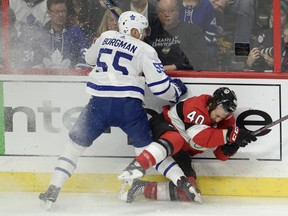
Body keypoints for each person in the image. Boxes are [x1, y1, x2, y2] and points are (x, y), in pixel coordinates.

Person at [39, 11, 187, 210]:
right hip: (128, 106)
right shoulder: (146, 50)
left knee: (74, 146)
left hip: (99, 104)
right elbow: (161, 89)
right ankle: (181, 182)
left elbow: (90, 58)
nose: (144, 35)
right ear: (133, 30)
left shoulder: (106, 36)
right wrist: (177, 90)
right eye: (142, 31)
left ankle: (53, 189)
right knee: (147, 150)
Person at [118, 87, 257, 203]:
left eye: (222, 117)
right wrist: (230, 136)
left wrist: (234, 145)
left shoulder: (226, 120)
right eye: (217, 115)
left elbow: (220, 155)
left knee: (187, 193)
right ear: (212, 104)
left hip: (181, 151)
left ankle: (139, 187)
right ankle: (138, 165)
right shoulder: (196, 105)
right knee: (176, 138)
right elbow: (200, 138)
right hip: (162, 128)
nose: (218, 119)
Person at [16, 0, 89, 68]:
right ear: (49, 13)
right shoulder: (41, 34)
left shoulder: (75, 33)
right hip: (46, 79)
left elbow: (85, 52)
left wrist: (78, 69)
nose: (61, 15)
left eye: (63, 11)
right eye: (57, 11)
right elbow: (33, 58)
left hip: (71, 79)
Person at [146, 0, 208, 71]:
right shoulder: (151, 32)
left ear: (178, 12)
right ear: (158, 14)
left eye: (171, 11)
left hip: (185, 75)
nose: (167, 15)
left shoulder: (192, 31)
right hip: (155, 74)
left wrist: (174, 66)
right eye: (163, 11)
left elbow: (199, 56)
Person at [245, 0, 288, 72]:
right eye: (272, 14)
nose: (276, 18)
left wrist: (276, 66)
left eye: (281, 15)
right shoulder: (263, 36)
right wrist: (248, 64)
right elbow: (253, 68)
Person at [178, 0, 218, 69]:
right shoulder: (175, 4)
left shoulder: (207, 5)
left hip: (202, 47)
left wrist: (196, 46)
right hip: (178, 46)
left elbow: (210, 32)